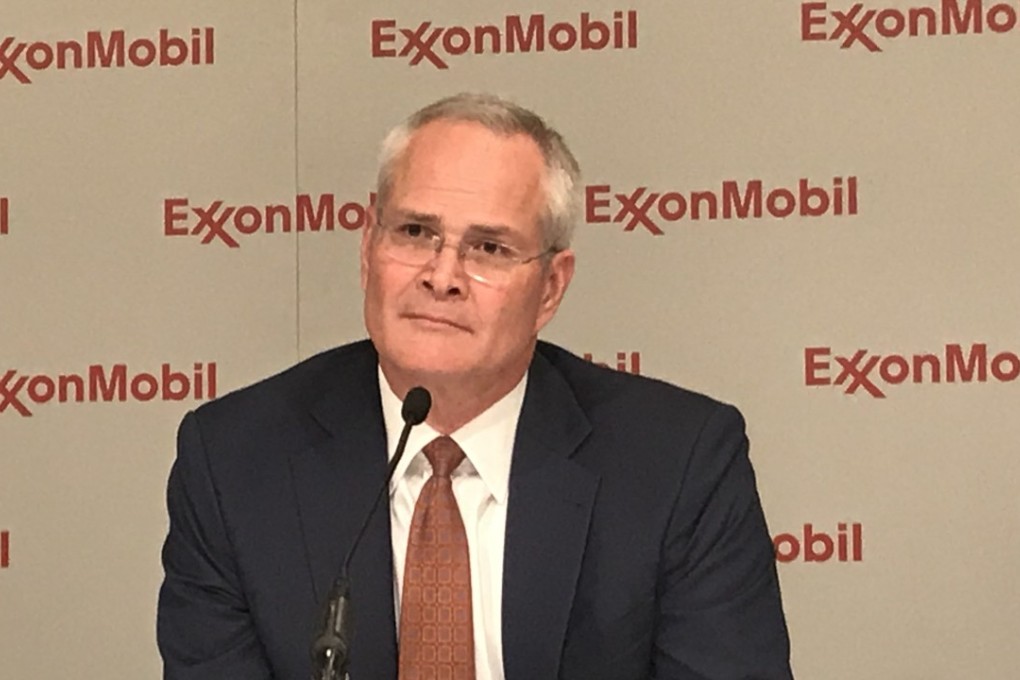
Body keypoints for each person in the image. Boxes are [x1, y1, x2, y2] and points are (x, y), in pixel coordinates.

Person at [157, 92, 793, 680]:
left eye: (488, 248)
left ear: (550, 287)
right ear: (366, 249)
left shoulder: (677, 463)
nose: (442, 275)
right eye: (414, 233)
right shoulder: (237, 462)